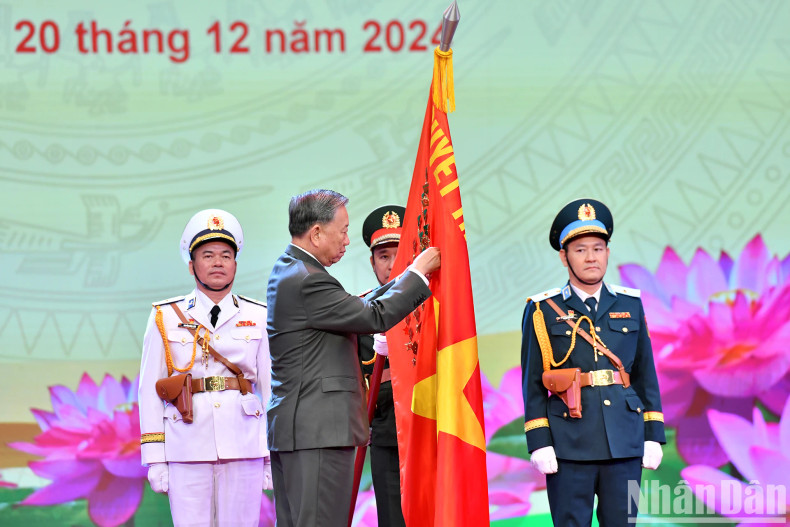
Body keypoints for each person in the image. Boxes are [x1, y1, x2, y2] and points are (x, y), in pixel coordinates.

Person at [266, 189, 440, 527]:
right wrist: (418, 274)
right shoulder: (307, 280)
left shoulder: (293, 270)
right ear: (317, 233)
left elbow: (360, 305)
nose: (347, 240)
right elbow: (373, 315)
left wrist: (408, 277)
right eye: (343, 231)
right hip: (318, 432)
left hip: (305, 429)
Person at [521, 198, 665, 526]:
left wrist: (652, 434)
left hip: (625, 441)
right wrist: (539, 442)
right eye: (581, 250)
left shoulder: (631, 304)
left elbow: (645, 375)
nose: (591, 257)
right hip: (569, 444)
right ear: (564, 257)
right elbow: (532, 382)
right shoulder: (543, 309)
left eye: (598, 249)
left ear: (608, 253)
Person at [139, 209, 271, 527]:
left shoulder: (258, 315)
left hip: (244, 443)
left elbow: (270, 388)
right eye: (207, 255)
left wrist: (270, 455)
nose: (217, 262)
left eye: (226, 255)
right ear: (192, 265)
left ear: (235, 264)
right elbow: (149, 390)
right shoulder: (165, 316)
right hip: (185, 443)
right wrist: (155, 458)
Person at [359, 204, 407, 527]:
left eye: (399, 254)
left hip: (432, 431)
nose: (392, 265)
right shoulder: (359, 312)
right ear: (373, 262)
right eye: (384, 256)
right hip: (386, 436)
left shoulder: (438, 307)